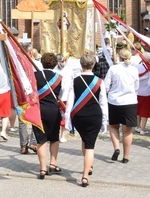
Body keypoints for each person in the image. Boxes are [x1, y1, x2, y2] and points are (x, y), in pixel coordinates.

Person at [63, 53, 108, 187]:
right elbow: (103, 103)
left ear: (81, 65)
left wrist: (67, 120)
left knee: (85, 140)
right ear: (93, 65)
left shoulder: (75, 80)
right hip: (95, 115)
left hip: (79, 116)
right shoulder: (99, 82)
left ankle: (89, 166)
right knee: (90, 145)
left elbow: (70, 102)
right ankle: (84, 176)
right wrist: (105, 120)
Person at [104, 48, 139, 163]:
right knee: (127, 130)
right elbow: (136, 86)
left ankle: (116, 148)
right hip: (130, 101)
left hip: (114, 101)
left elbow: (106, 86)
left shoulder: (113, 69)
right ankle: (126, 156)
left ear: (119, 57)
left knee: (113, 126)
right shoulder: (134, 70)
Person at [34, 52, 64, 178]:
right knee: (54, 138)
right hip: (53, 110)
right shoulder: (59, 78)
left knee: (41, 140)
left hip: (39, 110)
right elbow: (61, 95)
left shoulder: (34, 76)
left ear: (42, 62)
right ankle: (52, 163)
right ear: (55, 64)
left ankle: (42, 168)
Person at [132, 41, 150, 134]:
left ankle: (137, 126)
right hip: (147, 91)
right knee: (144, 112)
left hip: (138, 90)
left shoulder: (138, 66)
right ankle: (142, 129)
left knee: (138, 110)